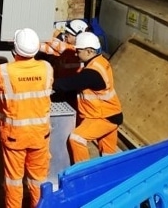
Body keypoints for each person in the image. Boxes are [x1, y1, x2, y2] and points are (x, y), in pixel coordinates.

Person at [0, 28, 53, 208]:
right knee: (38, 180)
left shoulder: (4, 71)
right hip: (40, 135)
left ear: (14, 50)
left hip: (14, 137)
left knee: (14, 181)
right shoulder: (47, 68)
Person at [52, 32, 123, 163]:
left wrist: (46, 82)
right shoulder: (100, 61)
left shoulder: (92, 73)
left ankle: (82, 174)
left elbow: (69, 84)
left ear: (89, 51)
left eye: (78, 51)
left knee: (76, 138)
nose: (75, 54)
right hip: (111, 114)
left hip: (103, 118)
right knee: (109, 156)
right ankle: (108, 177)